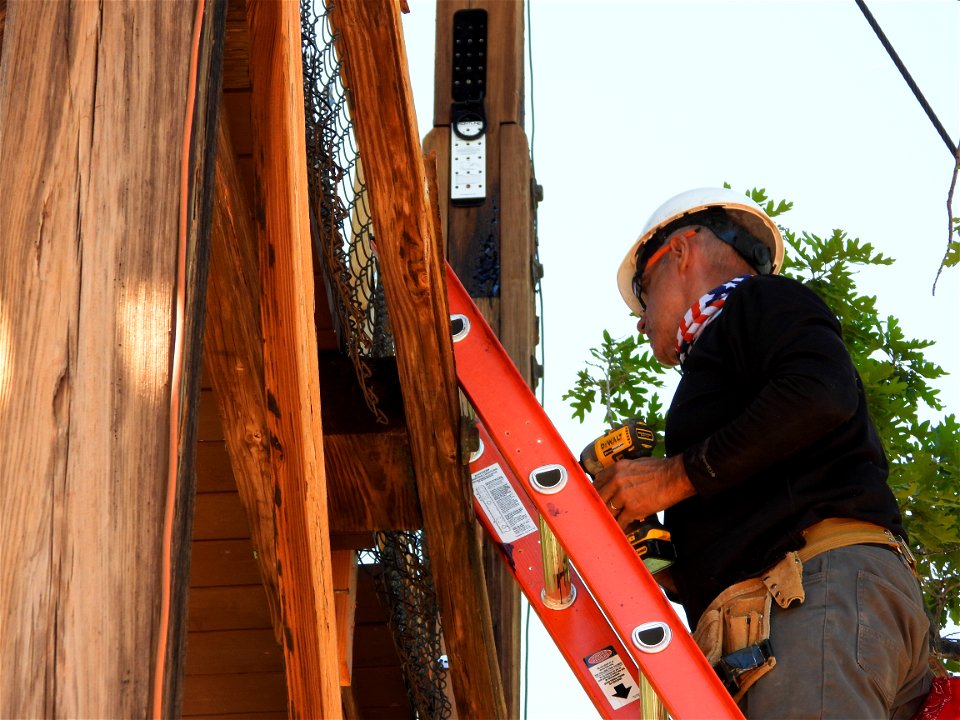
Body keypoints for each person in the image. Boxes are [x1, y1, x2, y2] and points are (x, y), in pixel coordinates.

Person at [592, 187, 932, 718]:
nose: (638, 319)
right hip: (800, 614)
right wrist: (669, 568)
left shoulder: (760, 300)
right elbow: (757, 508)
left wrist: (673, 477)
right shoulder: (724, 357)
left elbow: (819, 394)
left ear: (682, 249)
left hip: (814, 593)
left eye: (642, 287)